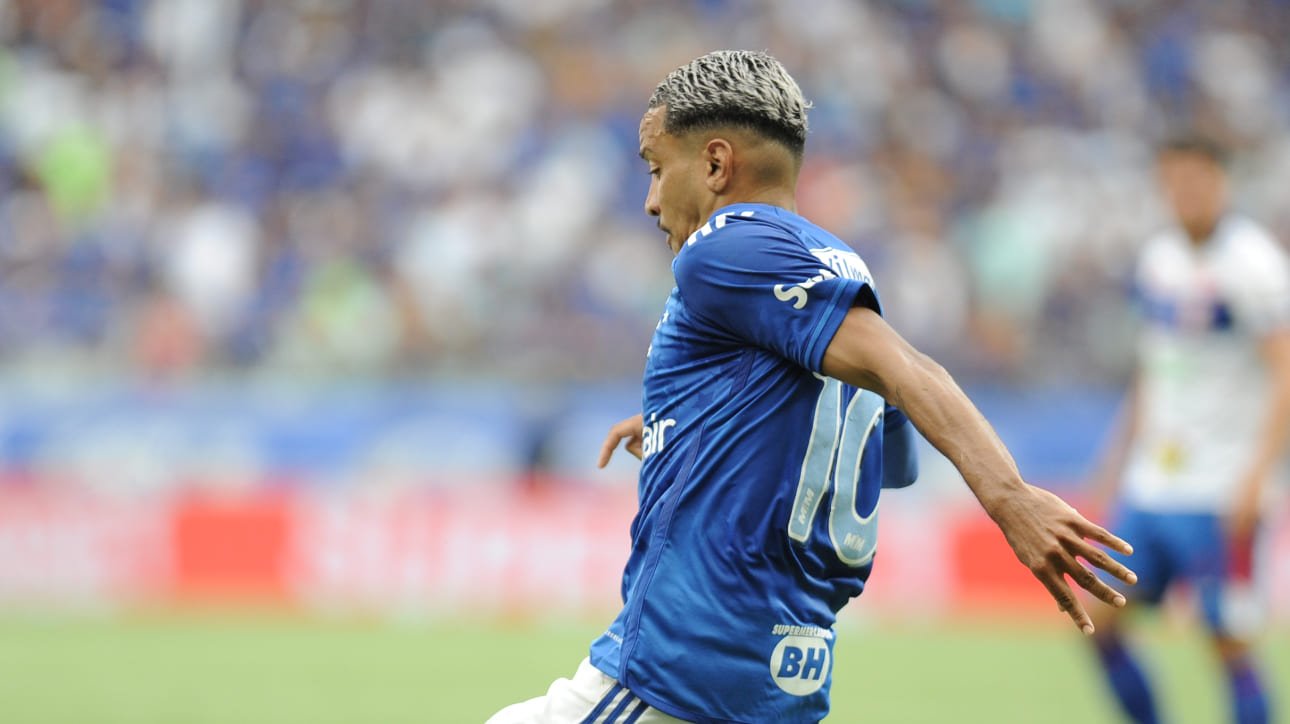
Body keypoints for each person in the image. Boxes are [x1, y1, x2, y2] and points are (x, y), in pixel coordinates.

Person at [488, 50, 1136, 724]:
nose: (651, 200)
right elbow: (870, 452)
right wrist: (684, 422)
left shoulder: (723, 249)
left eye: (657, 169)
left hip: (685, 666)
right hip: (783, 675)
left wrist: (1009, 497)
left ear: (714, 164)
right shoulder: (841, 270)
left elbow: (908, 369)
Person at [1085, 136, 1288, 724]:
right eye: (1174, 181)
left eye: (1198, 180)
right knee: (1098, 620)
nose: (1186, 194)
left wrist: (1258, 477)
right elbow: (1155, 367)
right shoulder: (1160, 260)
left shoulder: (1255, 265)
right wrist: (1115, 459)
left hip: (1221, 490)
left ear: (1223, 183)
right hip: (1153, 484)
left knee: (1227, 641)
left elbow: (1285, 372)